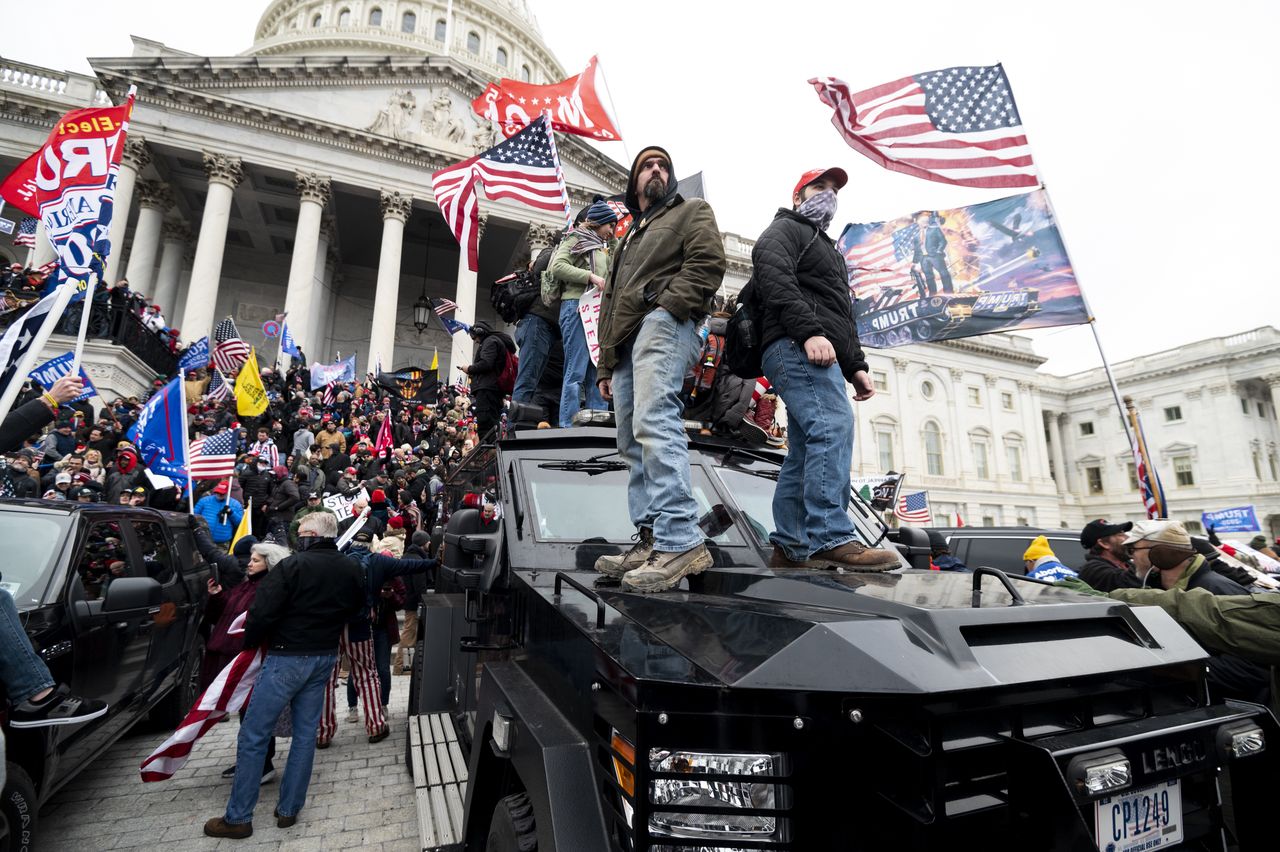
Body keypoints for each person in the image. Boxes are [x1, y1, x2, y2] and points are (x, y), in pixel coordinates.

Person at [746, 167, 898, 572]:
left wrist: (857, 366)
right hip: (796, 345)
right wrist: (810, 331)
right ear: (798, 196)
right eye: (819, 187)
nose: (828, 195)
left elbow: (840, 315)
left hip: (816, 349)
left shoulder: (826, 248)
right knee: (832, 426)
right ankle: (832, 535)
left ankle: (792, 546)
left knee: (807, 446)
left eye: (833, 190)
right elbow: (774, 280)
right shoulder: (785, 230)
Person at [591, 147, 726, 593]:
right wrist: (606, 366)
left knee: (654, 421)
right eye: (647, 165)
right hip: (626, 345)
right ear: (634, 181)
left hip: (664, 326)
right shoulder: (628, 238)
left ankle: (681, 539)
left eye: (663, 165)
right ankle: (651, 540)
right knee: (630, 440)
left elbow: (708, 264)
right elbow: (609, 303)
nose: (656, 170)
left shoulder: (691, 212)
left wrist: (667, 310)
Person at [204, 512, 364, 839]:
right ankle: (289, 809)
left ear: (314, 535)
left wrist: (250, 644)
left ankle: (238, 817)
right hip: (323, 654)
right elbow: (358, 609)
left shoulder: (292, 566)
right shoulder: (351, 567)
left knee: (254, 734)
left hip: (287, 655)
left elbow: (262, 611)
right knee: (305, 735)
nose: (297, 536)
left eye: (302, 531)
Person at [316, 529, 436, 747]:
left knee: (326, 678)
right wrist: (434, 562)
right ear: (371, 545)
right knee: (367, 674)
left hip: (330, 626)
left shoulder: (337, 560)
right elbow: (409, 566)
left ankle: (323, 732)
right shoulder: (379, 562)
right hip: (360, 623)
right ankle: (375, 726)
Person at [204, 541, 290, 782]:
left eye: (255, 560)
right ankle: (249, 761)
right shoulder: (245, 586)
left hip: (253, 659)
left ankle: (262, 764)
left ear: (269, 562)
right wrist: (217, 596)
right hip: (232, 656)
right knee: (245, 713)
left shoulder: (270, 588)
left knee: (254, 714)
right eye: (250, 560)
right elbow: (223, 614)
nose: (249, 564)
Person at [547, 200, 616, 427]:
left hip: (597, 312)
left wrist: (614, 242)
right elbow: (558, 266)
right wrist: (590, 277)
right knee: (575, 370)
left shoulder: (603, 246)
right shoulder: (575, 238)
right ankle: (567, 424)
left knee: (597, 371)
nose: (612, 231)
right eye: (610, 226)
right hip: (576, 307)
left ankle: (598, 425)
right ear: (600, 222)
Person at [513, 229, 565, 404]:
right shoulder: (552, 252)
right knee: (527, 381)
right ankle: (515, 429)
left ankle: (520, 425)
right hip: (538, 321)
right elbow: (538, 269)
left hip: (548, 325)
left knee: (531, 382)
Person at [461, 321, 514, 439]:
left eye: (474, 336)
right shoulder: (495, 341)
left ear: (480, 332)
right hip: (492, 390)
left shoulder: (490, 341)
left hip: (487, 390)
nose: (475, 340)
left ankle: (488, 453)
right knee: (491, 424)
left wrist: (469, 369)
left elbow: (486, 363)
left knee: (486, 426)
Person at [1077, 519, 1144, 591]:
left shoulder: (1126, 564)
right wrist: (1143, 554)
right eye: (1120, 535)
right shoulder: (1093, 570)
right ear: (1104, 544)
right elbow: (1130, 583)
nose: (1128, 538)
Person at [194, 480, 244, 551]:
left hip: (222, 543)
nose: (219, 494)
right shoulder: (204, 500)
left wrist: (231, 513)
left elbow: (240, 523)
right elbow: (194, 516)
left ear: (228, 492)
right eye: (218, 492)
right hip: (203, 539)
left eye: (222, 493)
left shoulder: (235, 504)